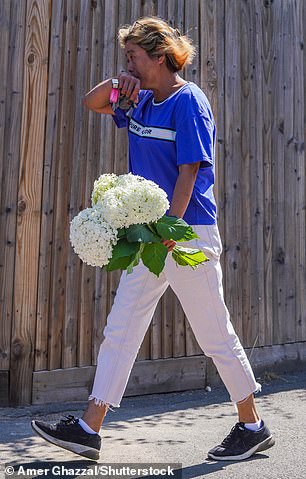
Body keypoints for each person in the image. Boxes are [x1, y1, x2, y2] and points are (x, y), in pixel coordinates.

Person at [31, 16, 275, 462]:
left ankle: (251, 424)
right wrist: (118, 82)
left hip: (187, 233)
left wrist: (170, 231)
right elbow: (92, 103)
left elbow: (190, 171)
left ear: (159, 57)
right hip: (151, 234)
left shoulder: (189, 102)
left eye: (133, 56)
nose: (128, 63)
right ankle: (90, 426)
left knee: (213, 333)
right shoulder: (140, 98)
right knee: (122, 326)